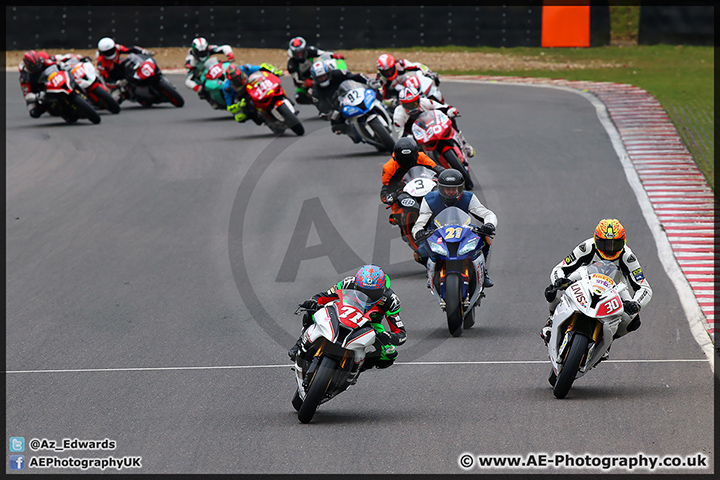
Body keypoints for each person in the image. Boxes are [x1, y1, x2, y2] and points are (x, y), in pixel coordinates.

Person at [540, 219, 653, 356]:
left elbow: (644, 288)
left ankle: (606, 341)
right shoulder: (587, 247)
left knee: (634, 320)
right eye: (605, 244)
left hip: (614, 286)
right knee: (553, 289)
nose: (610, 249)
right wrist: (559, 280)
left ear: (623, 242)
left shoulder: (628, 257)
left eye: (614, 244)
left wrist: (636, 304)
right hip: (585, 277)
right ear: (596, 240)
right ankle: (551, 320)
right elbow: (560, 267)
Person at [288, 265, 406, 372]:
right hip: (342, 311)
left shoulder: (391, 300)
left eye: (373, 293)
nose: (367, 295)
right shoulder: (348, 282)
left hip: (370, 324)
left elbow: (401, 334)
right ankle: (300, 343)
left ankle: (358, 368)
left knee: (390, 354)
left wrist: (389, 337)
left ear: (382, 290)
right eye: (362, 290)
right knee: (312, 311)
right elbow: (324, 296)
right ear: (356, 285)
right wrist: (313, 302)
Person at [411, 169, 497, 286]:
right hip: (437, 231)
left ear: (460, 188)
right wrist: (419, 232)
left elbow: (486, 213)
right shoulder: (429, 199)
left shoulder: (468, 197)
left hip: (464, 228)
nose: (451, 192)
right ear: (441, 188)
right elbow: (420, 222)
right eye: (448, 189)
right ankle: (433, 273)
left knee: (484, 239)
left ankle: (483, 272)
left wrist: (489, 224)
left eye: (454, 189)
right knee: (421, 253)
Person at [381, 137, 444, 239]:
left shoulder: (422, 157)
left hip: (425, 186)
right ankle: (405, 230)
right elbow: (385, 189)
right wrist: (388, 197)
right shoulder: (389, 167)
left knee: (445, 198)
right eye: (403, 160)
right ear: (396, 157)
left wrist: (448, 176)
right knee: (395, 217)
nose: (407, 163)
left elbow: (436, 168)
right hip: (403, 192)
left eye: (410, 159)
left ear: (416, 155)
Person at [394, 86, 475, 158]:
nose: (412, 108)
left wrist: (450, 110)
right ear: (402, 104)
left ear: (419, 99)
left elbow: (442, 107)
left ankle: (464, 143)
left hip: (431, 125)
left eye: (414, 103)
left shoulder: (425, 102)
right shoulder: (398, 115)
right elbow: (400, 136)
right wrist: (408, 138)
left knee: (451, 119)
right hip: (415, 135)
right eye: (408, 105)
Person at [309, 60, 374, 143]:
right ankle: (355, 134)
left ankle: (383, 106)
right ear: (315, 79)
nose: (322, 79)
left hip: (353, 94)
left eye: (324, 76)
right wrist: (326, 113)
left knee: (373, 90)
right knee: (336, 126)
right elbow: (320, 104)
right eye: (319, 78)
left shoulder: (337, 74)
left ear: (328, 73)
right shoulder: (316, 90)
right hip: (340, 108)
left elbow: (353, 76)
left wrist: (368, 81)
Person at [286, 36, 343, 105]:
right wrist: (306, 83)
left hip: (318, 73)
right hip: (307, 82)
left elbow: (324, 53)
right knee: (299, 97)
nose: (300, 55)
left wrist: (334, 55)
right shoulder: (291, 64)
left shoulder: (310, 50)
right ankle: (320, 105)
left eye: (301, 52)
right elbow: (296, 81)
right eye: (297, 53)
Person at [96, 37, 153, 102]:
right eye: (107, 52)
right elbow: (106, 80)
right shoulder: (100, 64)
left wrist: (143, 51)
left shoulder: (117, 48)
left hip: (120, 68)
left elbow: (131, 49)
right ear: (101, 52)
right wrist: (117, 83)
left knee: (129, 62)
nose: (110, 53)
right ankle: (125, 95)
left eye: (111, 50)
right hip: (114, 78)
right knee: (116, 99)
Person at [18, 50, 58, 118]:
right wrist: (36, 96)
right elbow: (26, 94)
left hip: (53, 79)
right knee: (34, 112)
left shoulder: (43, 59)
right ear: (28, 65)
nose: (37, 66)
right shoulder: (24, 76)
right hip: (39, 90)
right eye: (33, 65)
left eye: (37, 63)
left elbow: (57, 60)